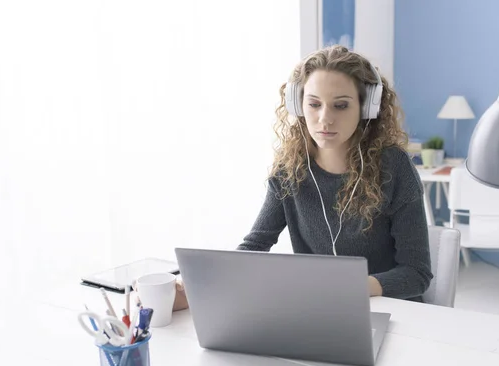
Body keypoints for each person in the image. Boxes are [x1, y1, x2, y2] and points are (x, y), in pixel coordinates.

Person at [173, 45, 432, 310]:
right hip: (320, 310)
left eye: (341, 105)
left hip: (393, 311)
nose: (325, 119)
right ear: (299, 104)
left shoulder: (394, 168)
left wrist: (345, 289)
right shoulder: (290, 169)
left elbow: (416, 274)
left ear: (366, 107)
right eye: (314, 104)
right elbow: (255, 246)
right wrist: (196, 286)